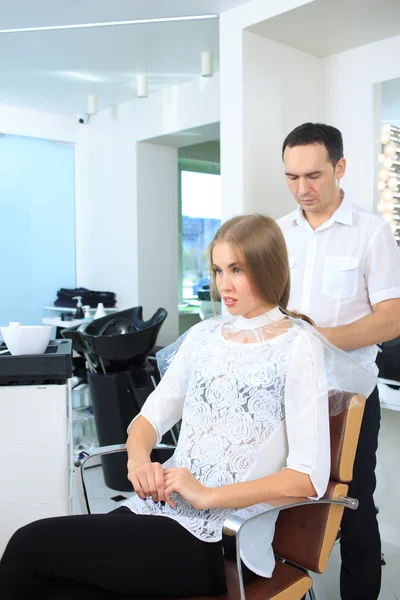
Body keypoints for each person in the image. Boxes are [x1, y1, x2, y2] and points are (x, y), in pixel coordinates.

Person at [0, 215, 374, 600]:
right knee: (58, 591)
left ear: (267, 268)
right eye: (217, 269)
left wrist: (207, 495)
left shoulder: (299, 347)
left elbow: (307, 479)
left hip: (221, 539)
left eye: (236, 270)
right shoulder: (204, 337)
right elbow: (147, 419)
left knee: (29, 546)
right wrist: (138, 462)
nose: (223, 284)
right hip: (160, 511)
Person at [278, 122, 400, 600]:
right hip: (286, 390)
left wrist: (319, 339)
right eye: (291, 177)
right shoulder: (278, 232)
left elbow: (392, 319)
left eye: (313, 176)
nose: (302, 189)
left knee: (352, 501)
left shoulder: (371, 233)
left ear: (340, 168)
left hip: (348, 396)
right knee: (282, 494)